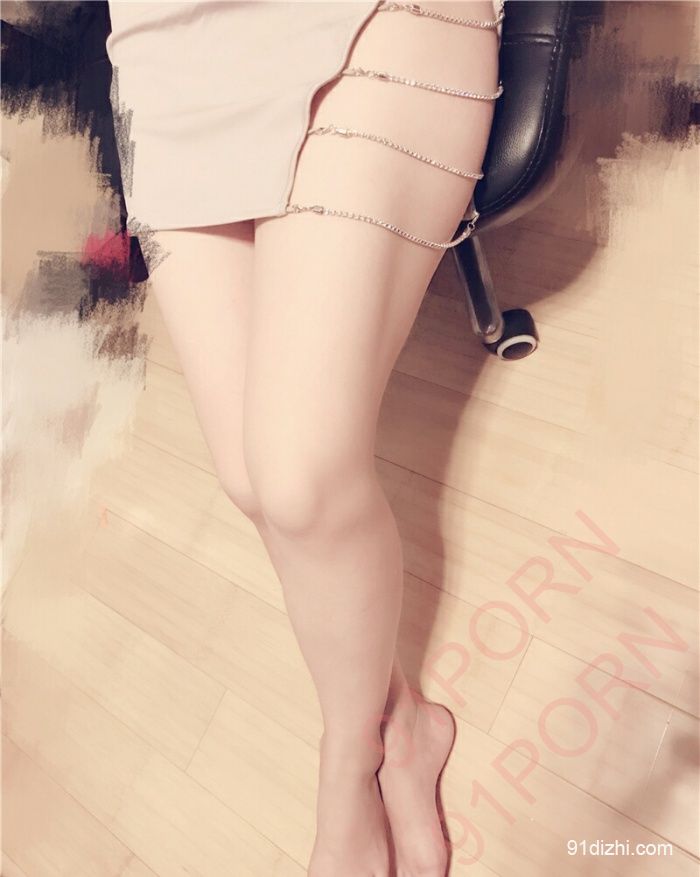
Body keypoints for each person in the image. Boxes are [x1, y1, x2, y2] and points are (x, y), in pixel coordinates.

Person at [105, 1, 505, 873]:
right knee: (252, 477)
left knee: (298, 477)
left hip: (364, 15)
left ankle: (345, 770)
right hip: (166, 45)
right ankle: (404, 724)